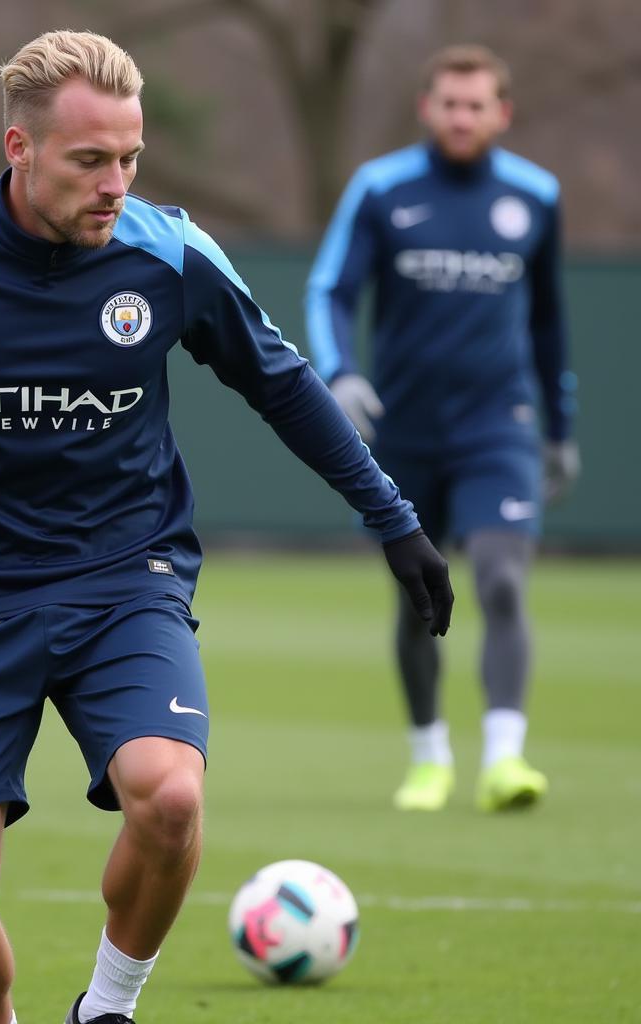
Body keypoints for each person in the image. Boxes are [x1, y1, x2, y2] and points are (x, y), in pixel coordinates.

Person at [0, 30, 452, 1024]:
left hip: (127, 576)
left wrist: (393, 522)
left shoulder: (167, 253)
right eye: (89, 160)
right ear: (19, 147)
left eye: (129, 158)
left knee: (167, 798)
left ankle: (106, 1008)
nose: (115, 182)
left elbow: (283, 385)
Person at [306, 44, 578, 814]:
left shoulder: (536, 195)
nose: (462, 116)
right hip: (405, 432)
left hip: (501, 427)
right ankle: (429, 757)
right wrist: (341, 373)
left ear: (502, 113)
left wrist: (561, 427)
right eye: (449, 104)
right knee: (420, 597)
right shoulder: (382, 188)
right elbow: (331, 289)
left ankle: (504, 759)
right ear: (427, 108)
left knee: (499, 579)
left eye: (477, 104)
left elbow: (551, 321)